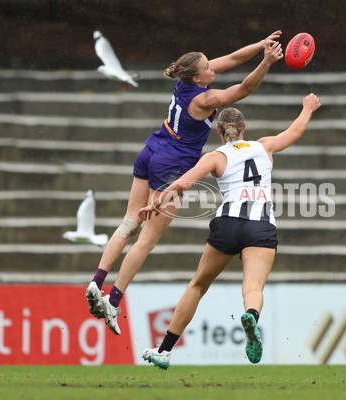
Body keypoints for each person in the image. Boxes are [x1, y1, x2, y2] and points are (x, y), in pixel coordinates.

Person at [85, 31, 285, 335]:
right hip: (171, 165)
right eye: (207, 66)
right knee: (147, 239)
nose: (212, 68)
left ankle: (96, 281)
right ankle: (113, 300)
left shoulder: (185, 82)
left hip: (151, 149)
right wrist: (267, 62)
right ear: (198, 77)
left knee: (128, 222)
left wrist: (259, 46)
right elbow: (245, 88)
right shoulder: (205, 99)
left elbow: (231, 59)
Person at [137, 93, 322, 369]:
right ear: (244, 129)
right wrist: (307, 108)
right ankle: (250, 315)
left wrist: (156, 202)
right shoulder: (264, 146)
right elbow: (296, 130)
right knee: (253, 286)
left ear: (220, 133)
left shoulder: (216, 157)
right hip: (261, 225)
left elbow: (183, 183)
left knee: (198, 285)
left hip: (228, 223)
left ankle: (164, 351)